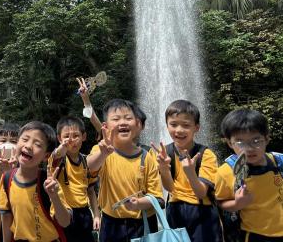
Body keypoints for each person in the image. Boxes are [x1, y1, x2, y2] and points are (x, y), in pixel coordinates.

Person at [87, 99, 163, 242]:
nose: (123, 122)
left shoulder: (147, 157)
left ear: (137, 124)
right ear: (105, 127)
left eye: (128, 118)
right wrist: (103, 154)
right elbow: (90, 167)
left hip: (142, 225)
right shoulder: (101, 150)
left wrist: (139, 203)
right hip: (111, 224)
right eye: (116, 119)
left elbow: (158, 198)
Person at [153, 100, 222, 241]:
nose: (179, 130)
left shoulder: (205, 154)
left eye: (186, 125)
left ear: (196, 128)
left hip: (202, 211)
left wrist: (190, 173)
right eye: (173, 124)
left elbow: (201, 193)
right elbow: (169, 187)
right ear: (167, 125)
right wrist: (164, 169)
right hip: (175, 209)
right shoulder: (165, 153)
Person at [215, 109, 283, 241]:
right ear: (229, 142)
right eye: (240, 142)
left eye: (256, 140)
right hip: (254, 235)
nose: (249, 148)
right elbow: (220, 202)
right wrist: (237, 204)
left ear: (267, 138)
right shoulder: (226, 172)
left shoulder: (279, 162)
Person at [0, 121, 72, 242]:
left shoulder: (49, 182)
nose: (28, 146)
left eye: (37, 144)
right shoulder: (6, 178)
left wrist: (54, 196)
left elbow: (65, 222)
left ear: (46, 156)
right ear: (17, 142)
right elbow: (6, 216)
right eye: (25, 139)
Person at [52, 116, 99, 241]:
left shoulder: (85, 160)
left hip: (85, 213)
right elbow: (56, 154)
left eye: (76, 135)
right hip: (67, 213)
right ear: (59, 138)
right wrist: (63, 146)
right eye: (66, 136)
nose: (71, 140)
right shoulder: (58, 160)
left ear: (83, 137)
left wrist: (96, 215)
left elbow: (91, 190)